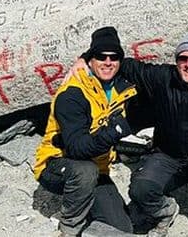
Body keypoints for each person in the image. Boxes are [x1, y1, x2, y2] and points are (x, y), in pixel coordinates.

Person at [75, 31, 188, 236]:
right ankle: (167, 210)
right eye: (182, 58)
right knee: (140, 189)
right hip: (168, 157)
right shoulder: (163, 78)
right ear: (176, 62)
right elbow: (128, 65)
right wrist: (85, 58)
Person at [33, 26, 137, 236]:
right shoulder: (72, 94)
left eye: (114, 57)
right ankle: (70, 227)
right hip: (57, 164)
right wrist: (117, 130)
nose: (108, 62)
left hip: (99, 168)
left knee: (122, 228)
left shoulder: (123, 85)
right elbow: (76, 149)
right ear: (91, 59)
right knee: (84, 172)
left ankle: (87, 209)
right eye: (101, 56)